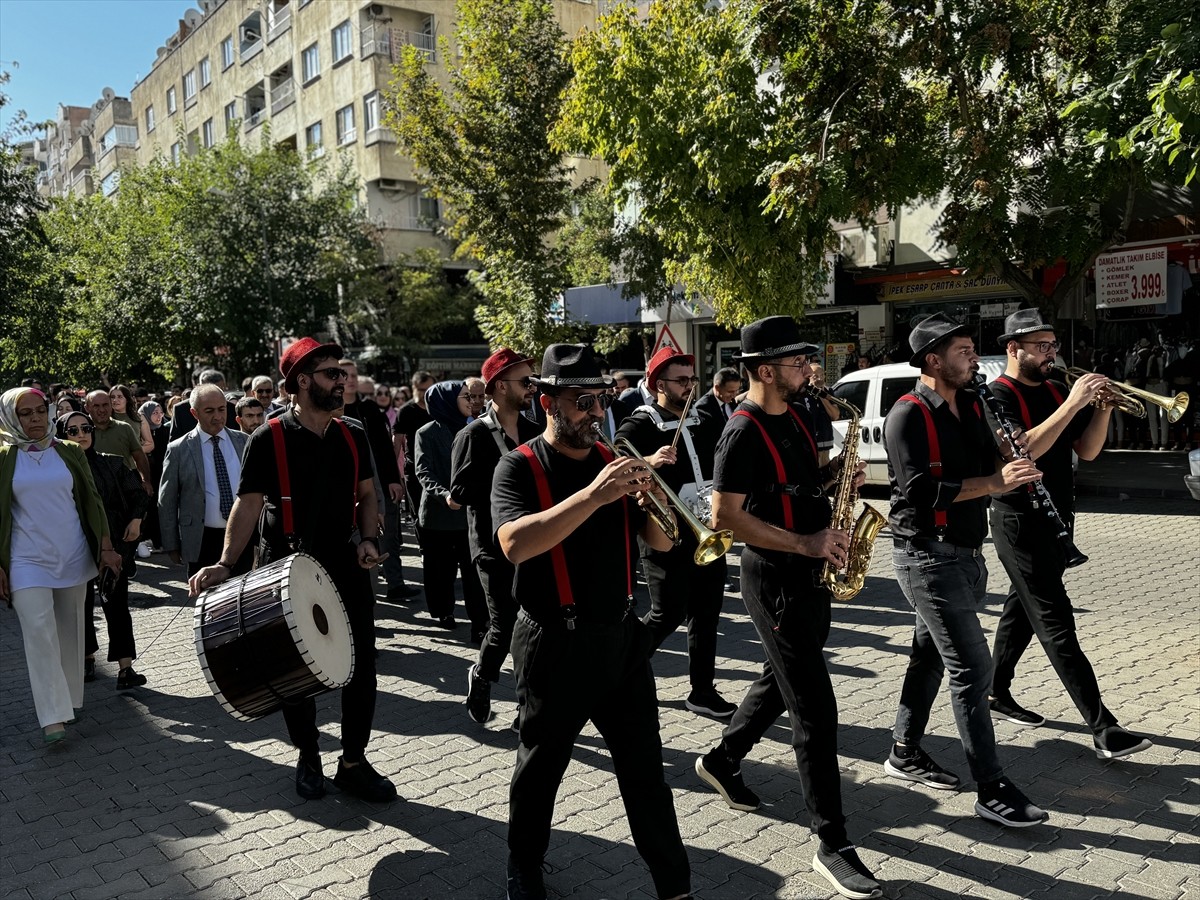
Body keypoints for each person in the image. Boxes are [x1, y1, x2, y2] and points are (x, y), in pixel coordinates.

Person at [491, 344, 690, 900]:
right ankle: (524, 868)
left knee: (647, 775)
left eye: (599, 399)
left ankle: (675, 887)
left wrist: (660, 505)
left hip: (621, 639)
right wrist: (594, 495)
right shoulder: (519, 465)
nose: (594, 411)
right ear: (548, 401)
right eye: (581, 401)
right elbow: (514, 544)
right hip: (554, 641)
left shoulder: (613, 459)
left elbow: (660, 541)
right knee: (541, 771)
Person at [691, 317, 880, 900]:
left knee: (781, 678)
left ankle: (722, 760)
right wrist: (805, 542)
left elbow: (800, 482)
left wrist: (838, 477)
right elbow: (724, 515)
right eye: (800, 362)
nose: (811, 370)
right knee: (815, 710)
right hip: (774, 577)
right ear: (765, 369)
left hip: (811, 571)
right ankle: (833, 843)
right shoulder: (740, 432)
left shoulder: (801, 413)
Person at [189, 337, 396, 804]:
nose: (340, 381)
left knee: (361, 665)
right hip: (284, 564)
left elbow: (368, 496)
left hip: (343, 562)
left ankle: (353, 762)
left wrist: (367, 539)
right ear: (301, 382)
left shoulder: (353, 434)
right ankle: (308, 755)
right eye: (329, 374)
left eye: (341, 373)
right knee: (294, 668)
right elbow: (247, 506)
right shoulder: (269, 438)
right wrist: (225, 563)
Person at [882, 312, 1051, 829]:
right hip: (926, 555)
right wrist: (995, 484)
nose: (975, 358)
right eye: (964, 351)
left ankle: (903, 751)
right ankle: (991, 787)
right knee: (972, 669)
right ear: (933, 360)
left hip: (965, 553)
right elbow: (920, 492)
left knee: (929, 656)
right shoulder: (908, 414)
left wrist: (1017, 451)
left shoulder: (975, 403)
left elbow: (1000, 456)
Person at [986, 310, 1151, 759]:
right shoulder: (997, 394)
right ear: (1013, 349)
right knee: (1056, 621)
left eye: (1053, 345)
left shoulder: (1058, 389)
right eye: (1040, 346)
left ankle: (995, 691)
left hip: (1060, 515)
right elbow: (1020, 449)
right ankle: (1103, 726)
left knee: (1021, 609)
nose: (1050, 353)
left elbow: (1089, 451)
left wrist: (1101, 410)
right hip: (1019, 521)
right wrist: (1075, 403)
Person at [616, 346, 736, 718]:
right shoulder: (639, 424)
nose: (689, 386)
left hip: (704, 528)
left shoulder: (700, 418)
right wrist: (648, 463)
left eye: (691, 379)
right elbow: (618, 468)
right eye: (681, 380)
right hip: (664, 532)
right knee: (667, 613)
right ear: (657, 384)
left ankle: (702, 691)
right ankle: (619, 673)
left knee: (707, 612)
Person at [0, 388, 121, 743]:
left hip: (71, 552)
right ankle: (52, 715)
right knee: (38, 631)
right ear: (11, 417)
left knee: (70, 627)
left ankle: (70, 698)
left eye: (41, 411)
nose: (36, 418)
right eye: (26, 413)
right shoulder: (4, 458)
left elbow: (91, 499)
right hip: (25, 559)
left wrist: (106, 546)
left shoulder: (68, 451)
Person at [452, 348, 541, 724]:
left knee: (533, 624)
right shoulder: (473, 435)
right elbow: (458, 493)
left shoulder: (536, 430)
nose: (532, 388)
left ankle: (527, 706)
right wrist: (505, 483)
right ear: (500, 386)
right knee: (504, 626)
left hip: (533, 539)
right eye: (526, 381)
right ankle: (484, 677)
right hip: (491, 546)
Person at [56, 412, 149, 689]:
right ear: (62, 434)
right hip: (75, 545)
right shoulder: (58, 470)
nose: (81, 433)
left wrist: (136, 519)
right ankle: (86, 658)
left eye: (86, 428)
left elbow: (139, 494)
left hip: (115, 544)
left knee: (117, 604)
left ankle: (125, 667)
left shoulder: (112, 463)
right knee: (80, 605)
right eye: (73, 430)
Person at [414, 381, 488, 636]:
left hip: (470, 516)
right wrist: (445, 495)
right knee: (440, 572)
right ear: (446, 401)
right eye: (465, 396)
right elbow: (423, 472)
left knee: (474, 575)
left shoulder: (477, 428)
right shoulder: (426, 433)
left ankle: (480, 623)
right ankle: (443, 612)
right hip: (438, 517)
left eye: (471, 396)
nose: (471, 401)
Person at [158, 384, 252, 577]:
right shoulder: (178, 449)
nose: (217, 416)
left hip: (243, 536)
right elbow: (166, 500)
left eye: (221, 409)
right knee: (207, 603)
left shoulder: (244, 442)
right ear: (194, 413)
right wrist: (171, 544)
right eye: (209, 411)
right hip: (202, 539)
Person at [85, 390, 154, 495]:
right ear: (87, 408)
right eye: (96, 406)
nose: (102, 410)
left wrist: (146, 481)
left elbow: (139, 456)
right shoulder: (82, 432)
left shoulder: (124, 428)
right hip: (95, 489)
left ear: (111, 405)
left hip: (126, 488)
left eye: (105, 405)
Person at [137, 400, 169, 557]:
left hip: (162, 475)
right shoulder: (141, 432)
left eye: (160, 412)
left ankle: (160, 541)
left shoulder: (166, 430)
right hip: (147, 476)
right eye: (154, 413)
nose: (158, 416)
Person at [797, 362, 839, 467]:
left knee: (825, 469)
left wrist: (821, 395)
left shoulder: (828, 391)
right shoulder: (802, 393)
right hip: (810, 443)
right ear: (809, 377)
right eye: (815, 376)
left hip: (825, 439)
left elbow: (835, 415)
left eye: (822, 375)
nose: (819, 379)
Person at [109, 384, 154, 456]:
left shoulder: (139, 417)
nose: (115, 400)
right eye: (112, 397)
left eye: (120, 397)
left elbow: (150, 444)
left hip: (133, 464)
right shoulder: (105, 418)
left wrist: (133, 452)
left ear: (127, 399)